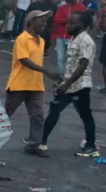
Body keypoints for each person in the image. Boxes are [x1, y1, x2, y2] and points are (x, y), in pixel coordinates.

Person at [39, 10, 99, 157]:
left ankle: (91, 146)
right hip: (69, 84)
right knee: (55, 109)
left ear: (82, 25)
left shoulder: (86, 41)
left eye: (72, 23)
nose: (68, 26)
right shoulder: (74, 38)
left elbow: (83, 64)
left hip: (79, 86)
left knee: (84, 115)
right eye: (68, 22)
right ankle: (41, 142)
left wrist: (67, 84)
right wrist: (63, 81)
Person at [4, 9, 58, 156]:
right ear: (30, 22)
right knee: (5, 114)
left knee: (38, 116)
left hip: (35, 84)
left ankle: (34, 144)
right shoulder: (22, 38)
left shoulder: (41, 41)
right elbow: (24, 60)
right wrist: (46, 71)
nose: (44, 23)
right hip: (20, 83)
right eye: (41, 20)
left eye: (45, 20)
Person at [51, 0, 86, 76]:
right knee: (60, 59)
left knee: (72, 59)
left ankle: (69, 78)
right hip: (60, 36)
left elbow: (83, 22)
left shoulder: (82, 7)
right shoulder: (62, 7)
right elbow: (56, 20)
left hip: (74, 38)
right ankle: (61, 78)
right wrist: (68, 20)